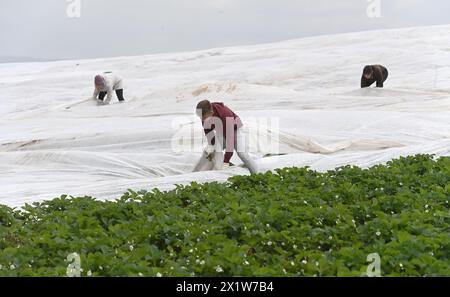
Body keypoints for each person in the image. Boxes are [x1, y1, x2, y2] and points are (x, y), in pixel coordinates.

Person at [194, 100, 258, 174]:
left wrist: (226, 162)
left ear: (211, 113)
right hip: (221, 130)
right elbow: (208, 132)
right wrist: (211, 145)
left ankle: (256, 175)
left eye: (204, 117)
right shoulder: (204, 114)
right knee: (211, 151)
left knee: (242, 153)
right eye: (200, 117)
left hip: (236, 129)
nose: (202, 120)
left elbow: (230, 143)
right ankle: (204, 172)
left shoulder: (225, 115)